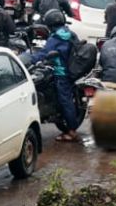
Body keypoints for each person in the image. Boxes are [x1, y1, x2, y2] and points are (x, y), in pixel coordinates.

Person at [26, 9, 80, 142]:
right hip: (70, 68)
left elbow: (44, 53)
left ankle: (72, 131)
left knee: (65, 100)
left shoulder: (55, 38)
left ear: (50, 24)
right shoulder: (69, 33)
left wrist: (28, 59)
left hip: (61, 73)